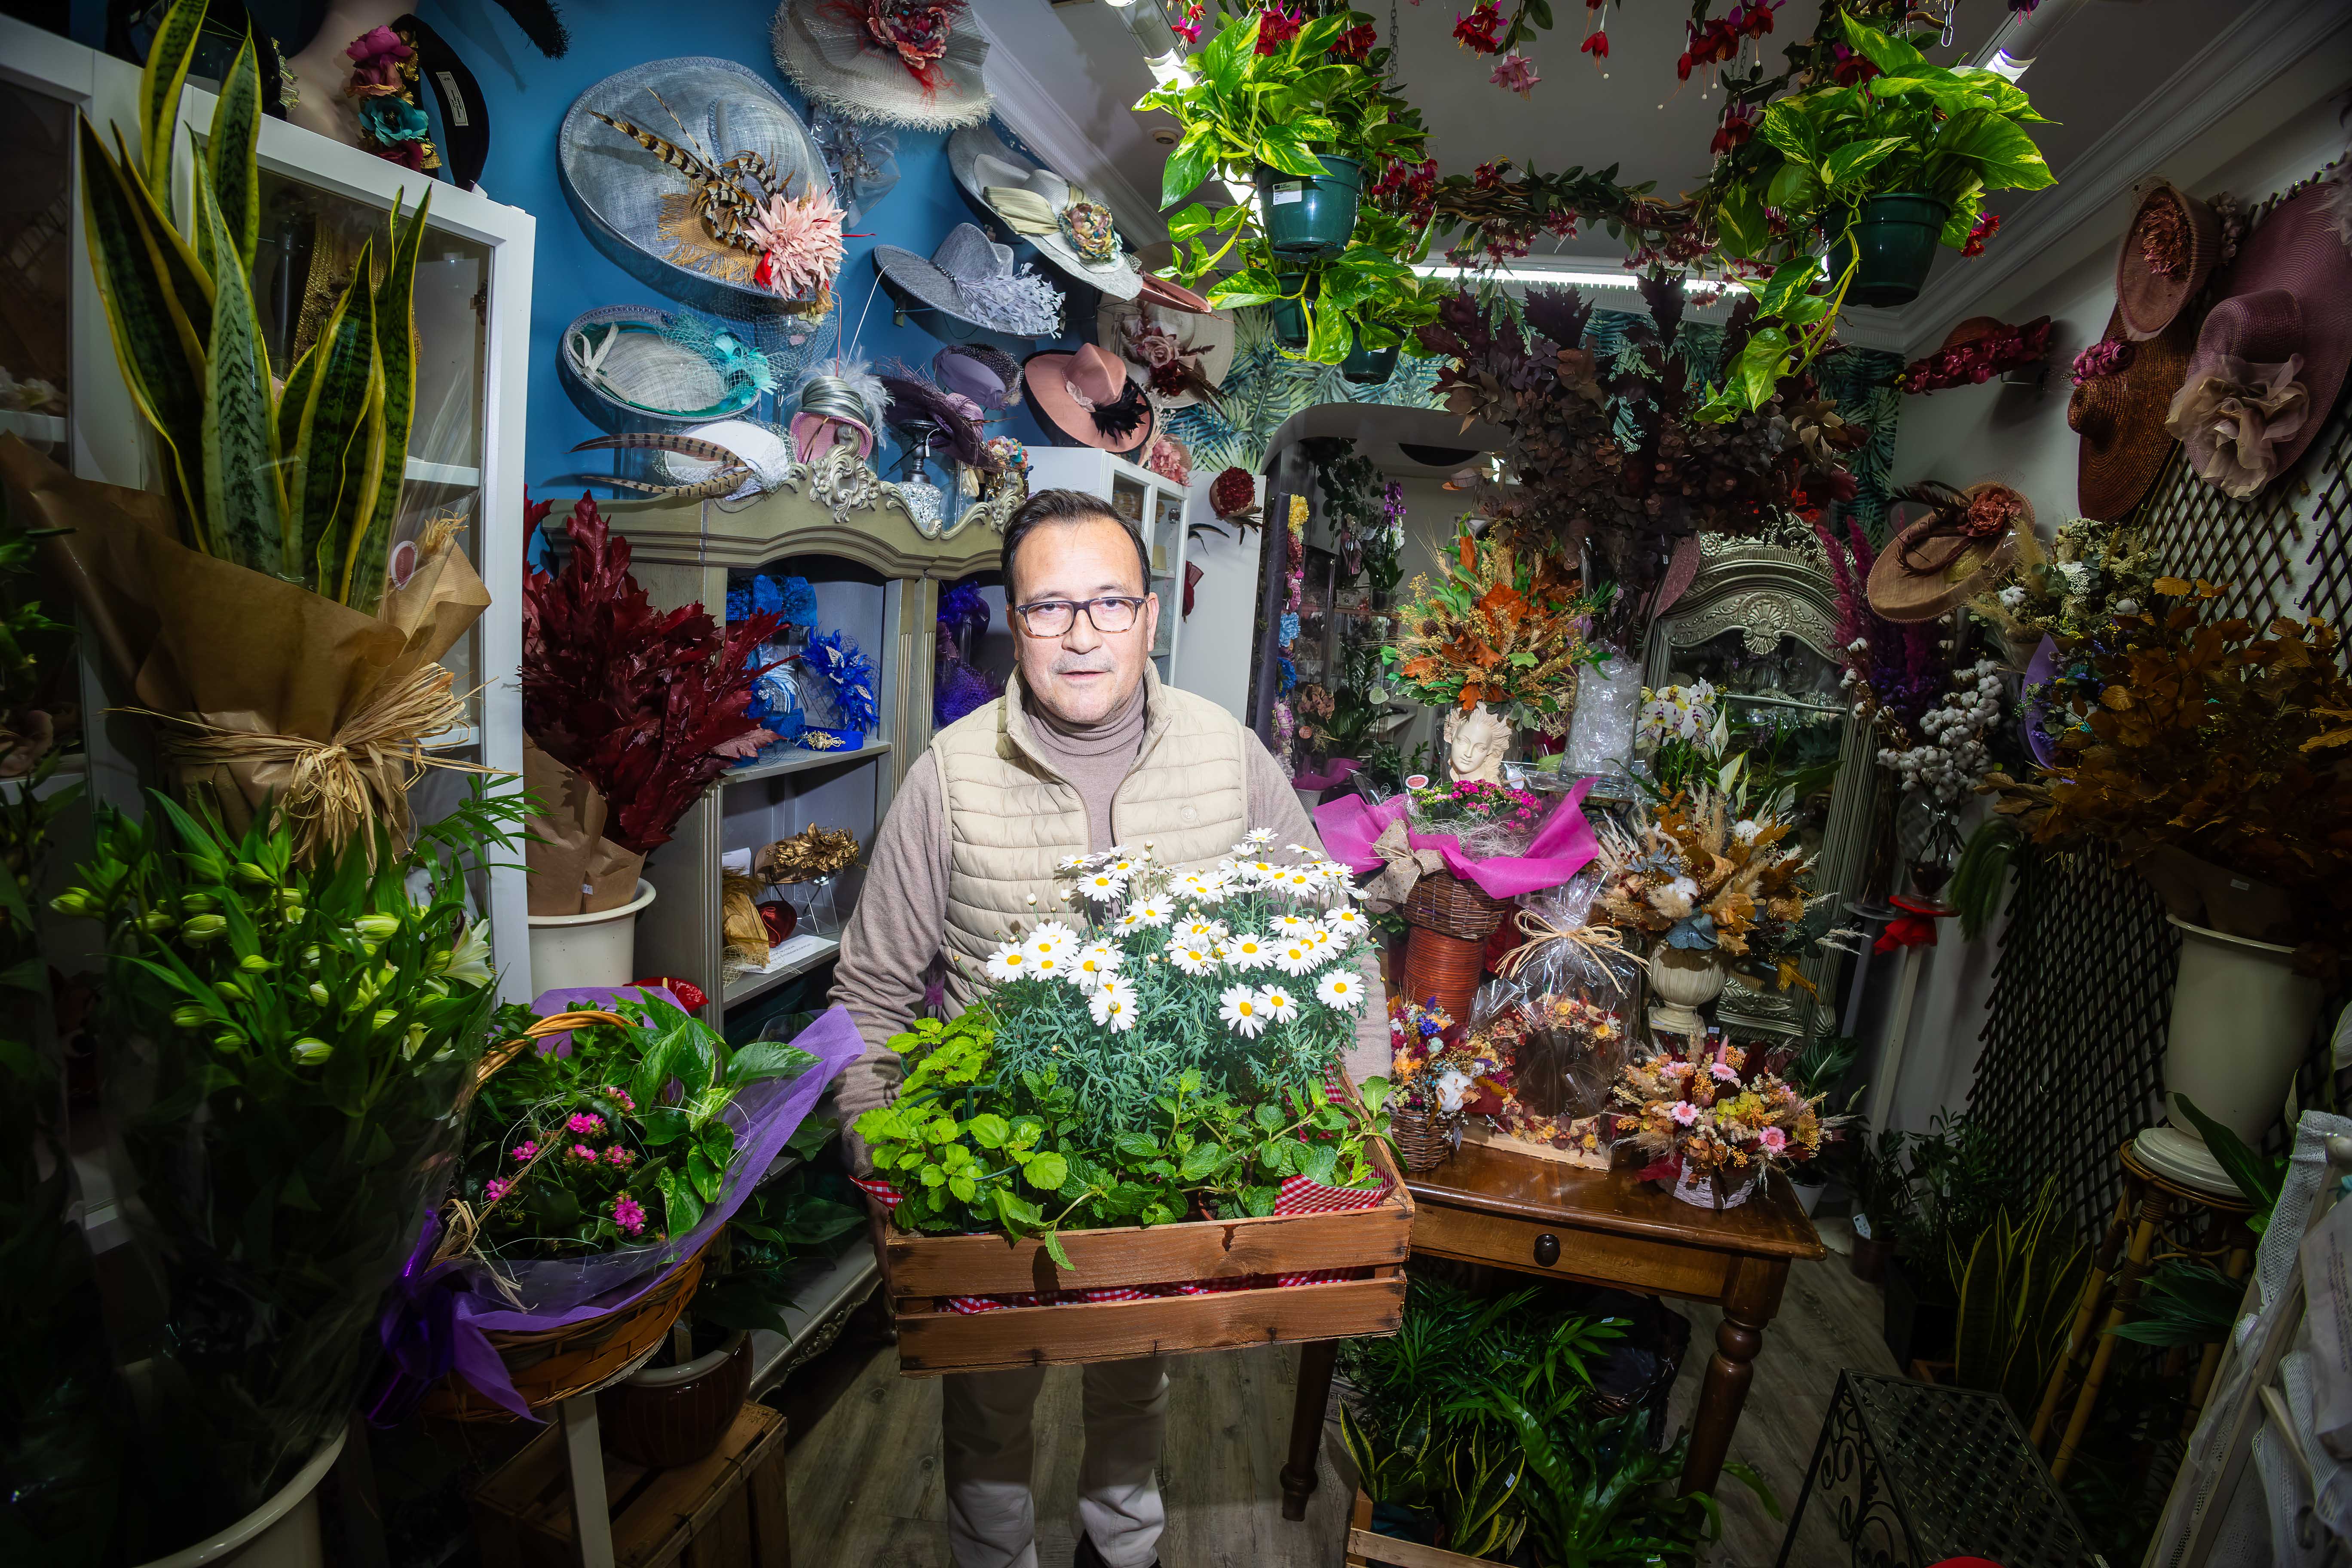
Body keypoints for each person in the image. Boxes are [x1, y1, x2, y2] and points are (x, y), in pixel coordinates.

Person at [831, 488, 1390, 1568]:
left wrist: (1358, 1122)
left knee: (1138, 1376)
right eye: (1049, 608)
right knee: (988, 1405)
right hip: (995, 1171)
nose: (1082, 634)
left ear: (1148, 617)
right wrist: (881, 1144)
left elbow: (1336, 943)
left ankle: (1122, 1552)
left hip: (1159, 1163)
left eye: (1109, 603)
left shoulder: (1229, 758)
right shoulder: (949, 778)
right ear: (1013, 619)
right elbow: (872, 994)